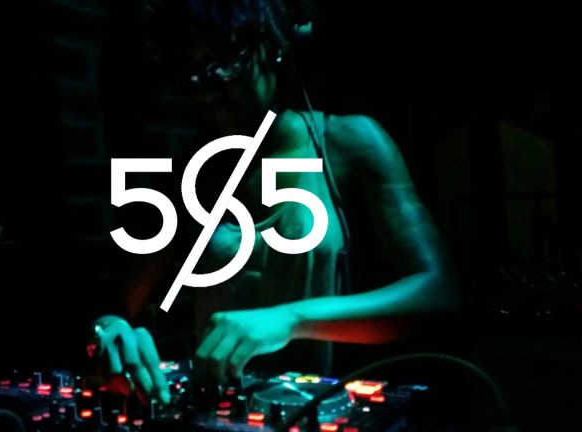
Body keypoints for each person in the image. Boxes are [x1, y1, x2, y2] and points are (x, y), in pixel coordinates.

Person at [90, 0, 462, 406]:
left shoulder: (350, 143)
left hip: (327, 407)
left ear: (274, 44)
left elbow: (439, 291)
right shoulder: (188, 176)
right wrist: (109, 330)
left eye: (224, 65)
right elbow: (115, 303)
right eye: (189, 76)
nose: (208, 91)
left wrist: (290, 320)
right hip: (222, 411)